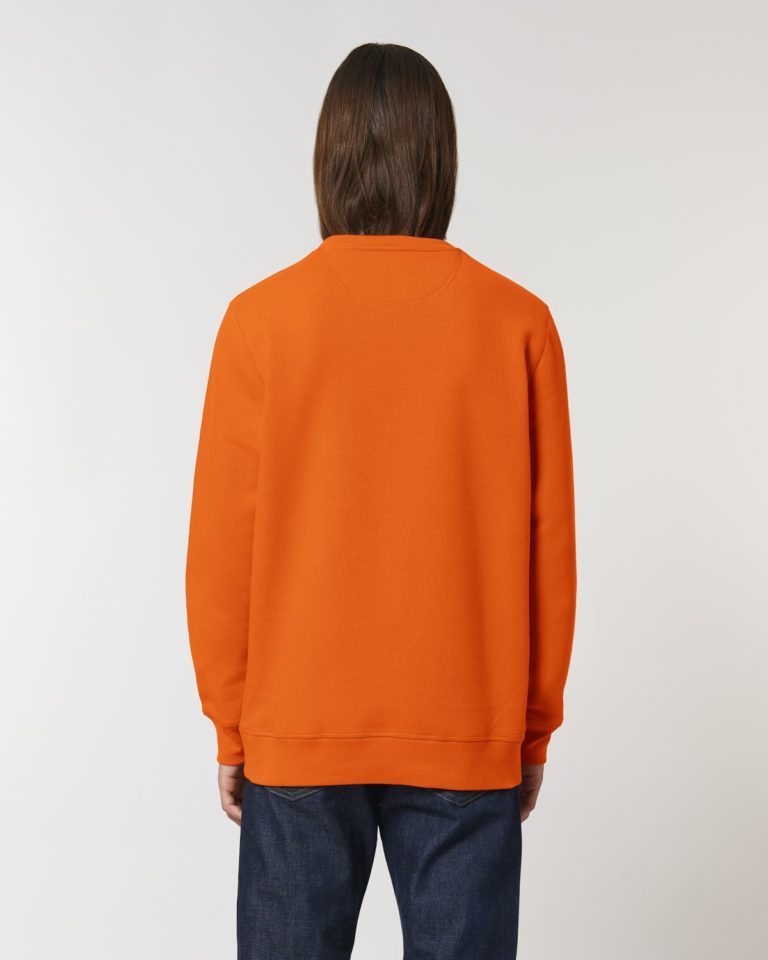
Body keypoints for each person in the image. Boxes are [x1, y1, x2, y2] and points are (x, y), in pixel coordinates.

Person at [186, 41, 577, 960]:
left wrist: (233, 726)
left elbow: (221, 547)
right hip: (465, 730)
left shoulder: (261, 321)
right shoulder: (518, 323)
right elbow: (548, 550)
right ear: (441, 160)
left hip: (299, 731)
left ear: (327, 159)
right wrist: (529, 732)